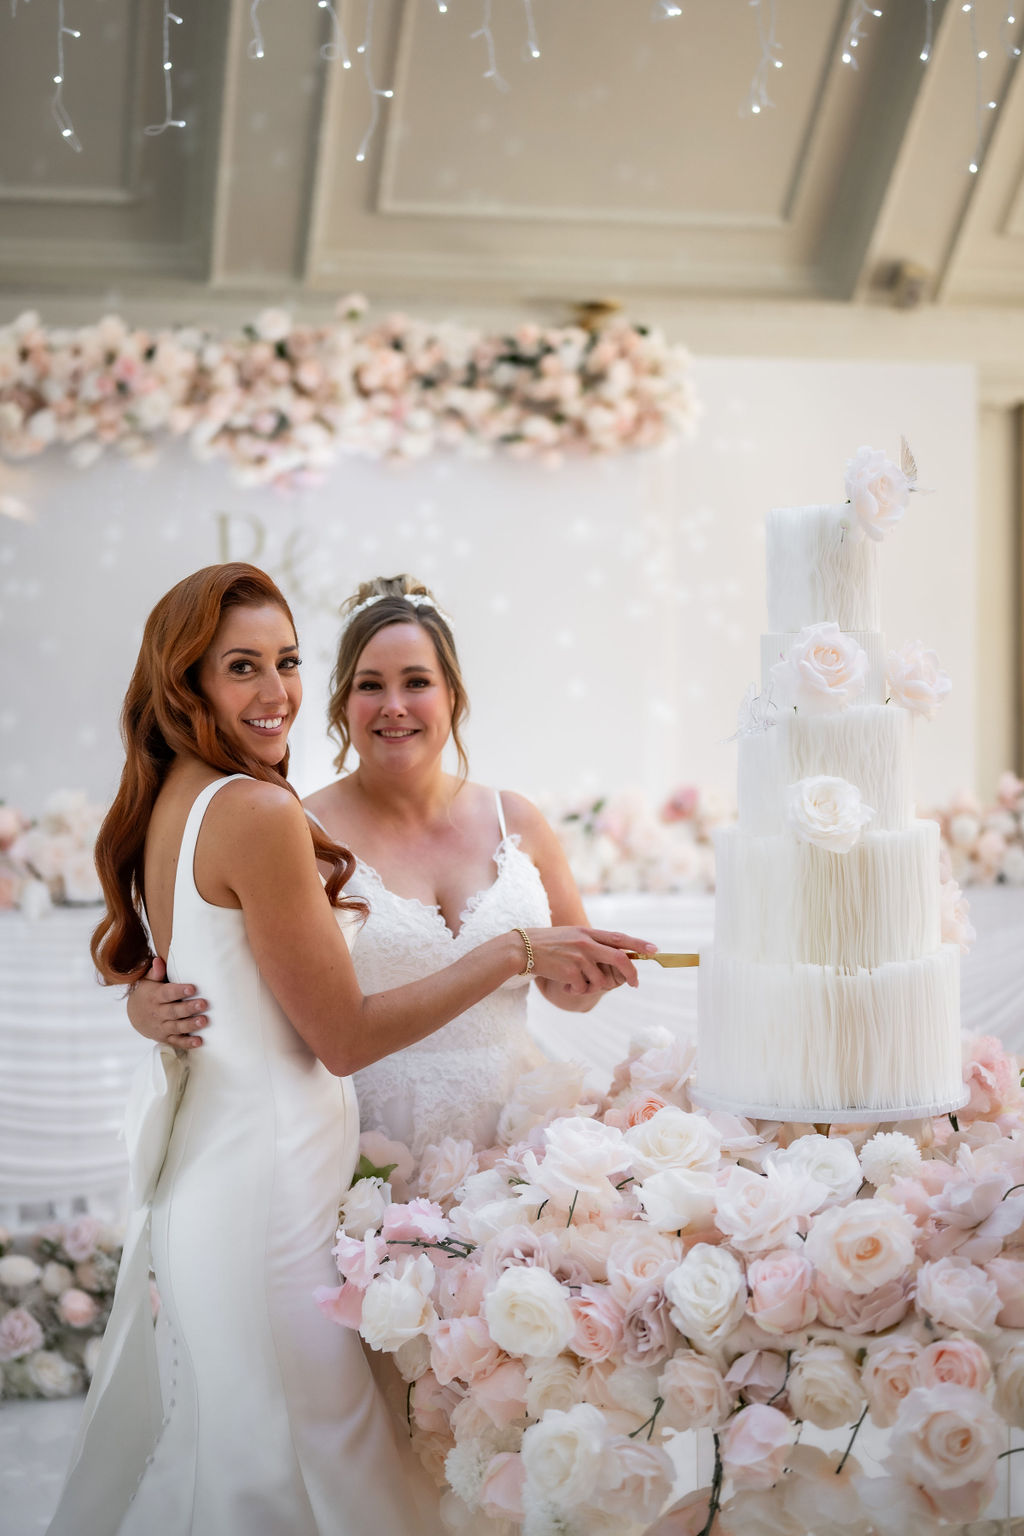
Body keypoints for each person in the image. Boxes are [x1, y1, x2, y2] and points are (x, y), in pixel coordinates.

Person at [52, 563, 652, 1536]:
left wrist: (548, 961)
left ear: (454, 696)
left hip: (254, 1175)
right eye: (241, 667)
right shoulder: (258, 811)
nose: (274, 691)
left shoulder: (190, 798)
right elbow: (340, 1037)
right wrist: (511, 947)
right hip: (275, 1192)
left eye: (285, 662)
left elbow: (210, 980)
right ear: (186, 683)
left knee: (282, 1468)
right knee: (325, 1471)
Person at [130, 574, 624, 1157]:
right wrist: (148, 1005)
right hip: (372, 1149)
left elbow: (569, 987)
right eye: (371, 685)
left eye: (417, 682)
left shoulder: (515, 819)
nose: (394, 707)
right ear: (342, 702)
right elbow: (238, 979)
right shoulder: (300, 832)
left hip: (515, 1130)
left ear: (453, 696)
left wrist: (588, 982)